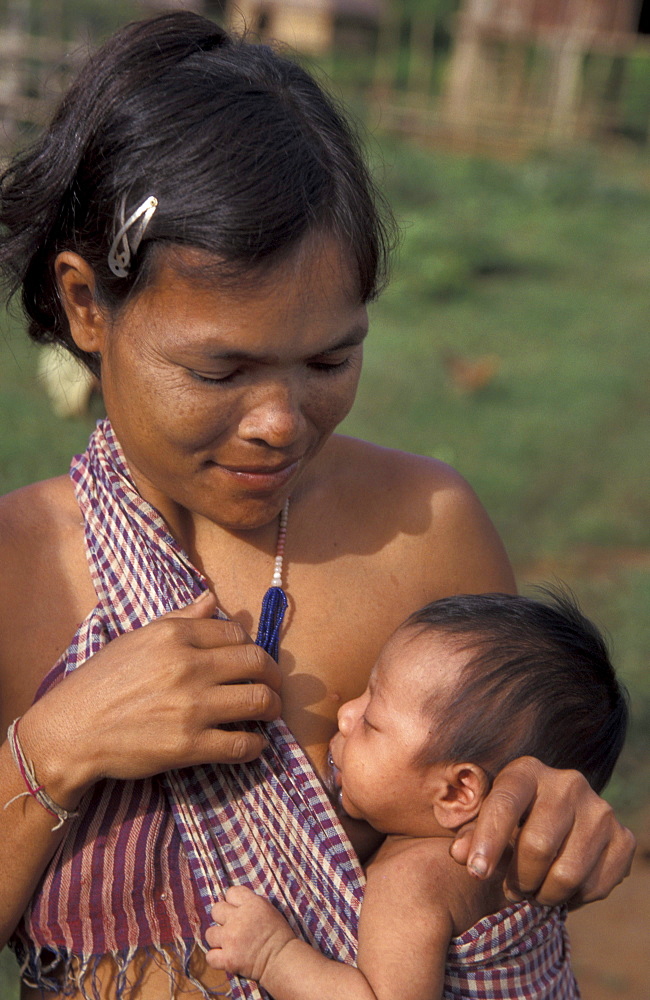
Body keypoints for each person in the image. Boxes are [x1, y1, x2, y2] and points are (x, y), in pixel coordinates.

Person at [0, 11, 634, 1000]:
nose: (280, 421)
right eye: (222, 367)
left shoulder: (424, 532)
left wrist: (550, 819)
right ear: (86, 304)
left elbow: (500, 838)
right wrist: (52, 749)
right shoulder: (17, 568)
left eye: (330, 358)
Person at [205, 589, 629, 999]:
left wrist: (273, 955)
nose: (346, 713)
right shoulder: (515, 861)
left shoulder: (412, 880)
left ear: (457, 791)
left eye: (371, 721)